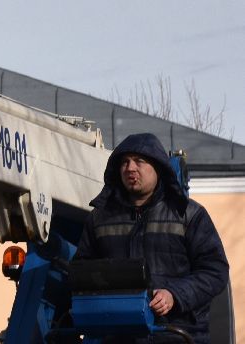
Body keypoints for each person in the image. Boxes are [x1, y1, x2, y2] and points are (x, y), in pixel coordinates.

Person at [74, 132, 230, 342]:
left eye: (139, 161)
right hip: (119, 337)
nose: (130, 168)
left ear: (159, 168)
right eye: (125, 162)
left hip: (177, 336)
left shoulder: (188, 214)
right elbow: (83, 273)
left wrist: (174, 295)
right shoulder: (98, 219)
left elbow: (215, 270)